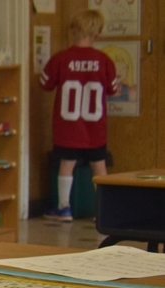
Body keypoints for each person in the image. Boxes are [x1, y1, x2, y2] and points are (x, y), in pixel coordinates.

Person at [40, 9, 118, 222]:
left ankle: (64, 208)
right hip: (95, 127)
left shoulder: (61, 58)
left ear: (73, 31)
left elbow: (44, 83)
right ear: (98, 33)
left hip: (68, 127)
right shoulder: (104, 61)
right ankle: (104, 211)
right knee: (99, 166)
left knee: (66, 164)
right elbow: (114, 89)